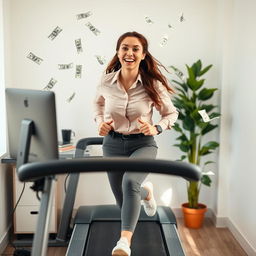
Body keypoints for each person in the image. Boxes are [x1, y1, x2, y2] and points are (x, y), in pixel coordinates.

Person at [94, 31, 178, 256]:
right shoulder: (106, 80)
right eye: (124, 48)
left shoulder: (153, 84)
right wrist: (100, 123)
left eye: (135, 49)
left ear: (143, 55)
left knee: (130, 182)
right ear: (118, 51)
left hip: (143, 144)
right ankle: (147, 193)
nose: (129, 53)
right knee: (123, 201)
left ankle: (123, 242)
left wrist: (156, 127)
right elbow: (98, 106)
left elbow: (171, 114)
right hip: (112, 144)